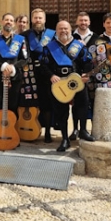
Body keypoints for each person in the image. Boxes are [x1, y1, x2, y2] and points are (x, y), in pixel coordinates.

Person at [40, 20, 94, 151]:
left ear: (70, 30)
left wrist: (86, 74)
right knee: (61, 111)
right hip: (59, 83)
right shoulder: (49, 47)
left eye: (66, 28)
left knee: (82, 105)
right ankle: (65, 138)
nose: (63, 31)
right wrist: (51, 75)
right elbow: (43, 65)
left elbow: (88, 61)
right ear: (56, 31)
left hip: (77, 81)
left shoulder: (79, 46)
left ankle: (82, 130)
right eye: (60, 29)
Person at [0, 13, 28, 148]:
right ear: (2, 21)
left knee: (12, 106)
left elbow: (25, 58)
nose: (9, 22)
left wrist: (13, 67)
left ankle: (12, 134)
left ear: (14, 23)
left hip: (15, 77)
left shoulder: (21, 40)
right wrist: (2, 66)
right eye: (6, 20)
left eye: (11, 20)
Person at [21, 8, 56, 143]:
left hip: (46, 73)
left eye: (40, 18)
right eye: (35, 18)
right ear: (31, 20)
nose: (38, 20)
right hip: (29, 73)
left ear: (45, 20)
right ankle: (29, 128)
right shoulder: (24, 35)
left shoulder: (52, 35)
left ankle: (47, 131)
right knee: (29, 102)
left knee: (47, 103)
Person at [70, 11, 99, 141]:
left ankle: (86, 129)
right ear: (76, 22)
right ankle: (75, 129)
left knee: (90, 102)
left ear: (89, 22)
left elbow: (100, 56)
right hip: (75, 75)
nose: (83, 23)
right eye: (81, 20)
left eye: (85, 20)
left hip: (92, 75)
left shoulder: (97, 38)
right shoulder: (71, 37)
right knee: (76, 103)